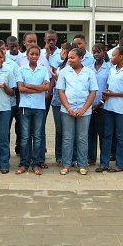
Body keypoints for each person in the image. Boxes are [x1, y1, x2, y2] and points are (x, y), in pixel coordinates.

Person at [56, 48, 98, 176]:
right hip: (67, 110)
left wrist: (83, 109)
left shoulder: (89, 72)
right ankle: (66, 165)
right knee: (67, 137)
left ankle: (82, 164)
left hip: (84, 111)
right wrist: (68, 108)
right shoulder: (64, 72)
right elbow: (60, 91)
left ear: (81, 58)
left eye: (72, 58)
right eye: (68, 57)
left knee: (82, 138)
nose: (69, 60)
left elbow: (93, 92)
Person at [97, 46, 123, 173]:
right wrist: (107, 94)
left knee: (120, 136)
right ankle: (104, 163)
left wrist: (113, 94)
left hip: (120, 109)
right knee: (107, 135)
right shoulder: (112, 69)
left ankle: (119, 164)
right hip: (109, 107)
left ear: (121, 57)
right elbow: (110, 86)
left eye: (113, 55)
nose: (111, 57)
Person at [16, 44, 50, 175]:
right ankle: (24, 164)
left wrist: (29, 85)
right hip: (25, 106)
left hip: (39, 107)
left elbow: (46, 88)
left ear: (39, 56)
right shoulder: (21, 69)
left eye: (36, 54)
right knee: (25, 136)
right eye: (32, 54)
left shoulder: (43, 70)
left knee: (37, 137)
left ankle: (35, 164)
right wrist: (38, 88)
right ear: (27, 55)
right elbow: (21, 89)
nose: (34, 56)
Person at [50, 43, 73, 167]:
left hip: (70, 102)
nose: (61, 52)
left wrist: (56, 77)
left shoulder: (73, 67)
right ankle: (59, 156)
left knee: (69, 131)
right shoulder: (61, 65)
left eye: (63, 50)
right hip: (57, 101)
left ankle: (71, 156)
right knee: (59, 130)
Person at [87, 43, 111, 166]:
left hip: (103, 106)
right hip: (89, 106)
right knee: (90, 133)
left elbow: (109, 88)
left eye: (98, 52)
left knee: (103, 134)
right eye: (94, 52)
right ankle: (91, 158)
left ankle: (104, 160)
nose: (96, 54)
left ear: (104, 52)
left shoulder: (109, 69)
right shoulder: (88, 69)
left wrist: (100, 103)